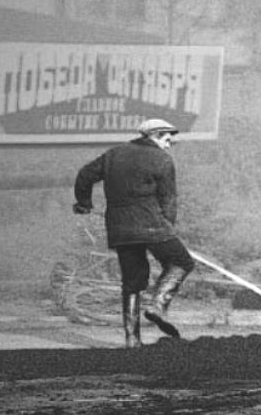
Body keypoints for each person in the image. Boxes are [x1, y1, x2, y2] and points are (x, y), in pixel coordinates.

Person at [73, 118, 196, 348]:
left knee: (132, 282)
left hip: (120, 229)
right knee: (181, 262)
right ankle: (158, 305)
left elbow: (84, 176)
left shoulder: (114, 154)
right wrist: (168, 225)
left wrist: (84, 203)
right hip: (152, 224)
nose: (168, 145)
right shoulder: (162, 159)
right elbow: (168, 199)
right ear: (155, 135)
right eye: (167, 140)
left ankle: (132, 339)